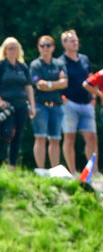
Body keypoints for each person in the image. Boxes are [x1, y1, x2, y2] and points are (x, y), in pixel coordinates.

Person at [0, 37, 36, 170]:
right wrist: (0, 101)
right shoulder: (0, 65)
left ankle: (12, 166)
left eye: (15, 48)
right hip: (5, 106)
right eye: (10, 48)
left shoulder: (22, 66)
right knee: (4, 134)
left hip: (21, 105)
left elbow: (28, 87)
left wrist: (32, 105)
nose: (13, 51)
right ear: (5, 50)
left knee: (17, 136)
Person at [59, 30, 97, 176]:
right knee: (70, 138)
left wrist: (93, 98)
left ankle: (93, 171)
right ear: (64, 44)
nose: (75, 43)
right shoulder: (60, 62)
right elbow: (58, 82)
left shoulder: (84, 59)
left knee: (92, 138)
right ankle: (73, 172)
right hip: (69, 104)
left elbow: (91, 79)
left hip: (87, 104)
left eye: (76, 40)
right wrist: (63, 99)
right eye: (71, 41)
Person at [29, 36, 67, 169]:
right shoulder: (35, 65)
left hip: (56, 105)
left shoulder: (59, 64)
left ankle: (55, 170)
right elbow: (39, 85)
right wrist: (56, 83)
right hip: (40, 105)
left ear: (53, 47)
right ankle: (41, 169)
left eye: (48, 45)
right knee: (40, 137)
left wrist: (48, 84)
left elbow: (65, 83)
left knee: (55, 139)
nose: (45, 48)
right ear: (38, 47)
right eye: (42, 45)